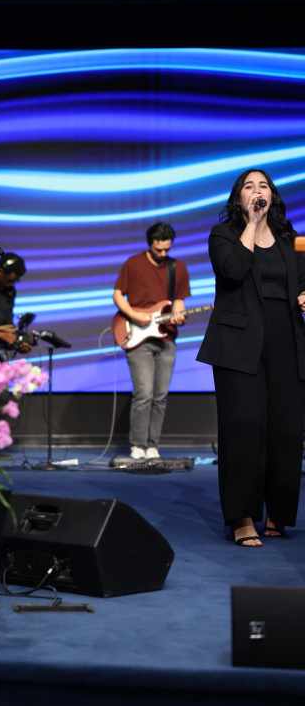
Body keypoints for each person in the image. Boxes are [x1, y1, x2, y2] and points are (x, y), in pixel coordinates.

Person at [197, 169, 305, 547]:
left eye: (264, 186)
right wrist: (252, 225)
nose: (258, 191)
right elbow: (232, 271)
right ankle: (242, 517)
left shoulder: (290, 237)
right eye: (249, 186)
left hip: (287, 340)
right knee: (244, 427)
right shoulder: (223, 234)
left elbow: (302, 280)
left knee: (286, 430)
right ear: (239, 198)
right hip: (238, 343)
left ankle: (278, 513)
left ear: (272, 195)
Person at [113, 222, 190, 460]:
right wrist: (135, 315)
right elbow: (118, 294)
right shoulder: (133, 264)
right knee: (144, 393)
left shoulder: (178, 268)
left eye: (167, 249)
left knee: (160, 396)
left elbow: (178, 302)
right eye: (159, 250)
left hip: (166, 338)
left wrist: (179, 316)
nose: (163, 254)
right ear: (150, 244)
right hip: (138, 337)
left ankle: (152, 445)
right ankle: (137, 445)